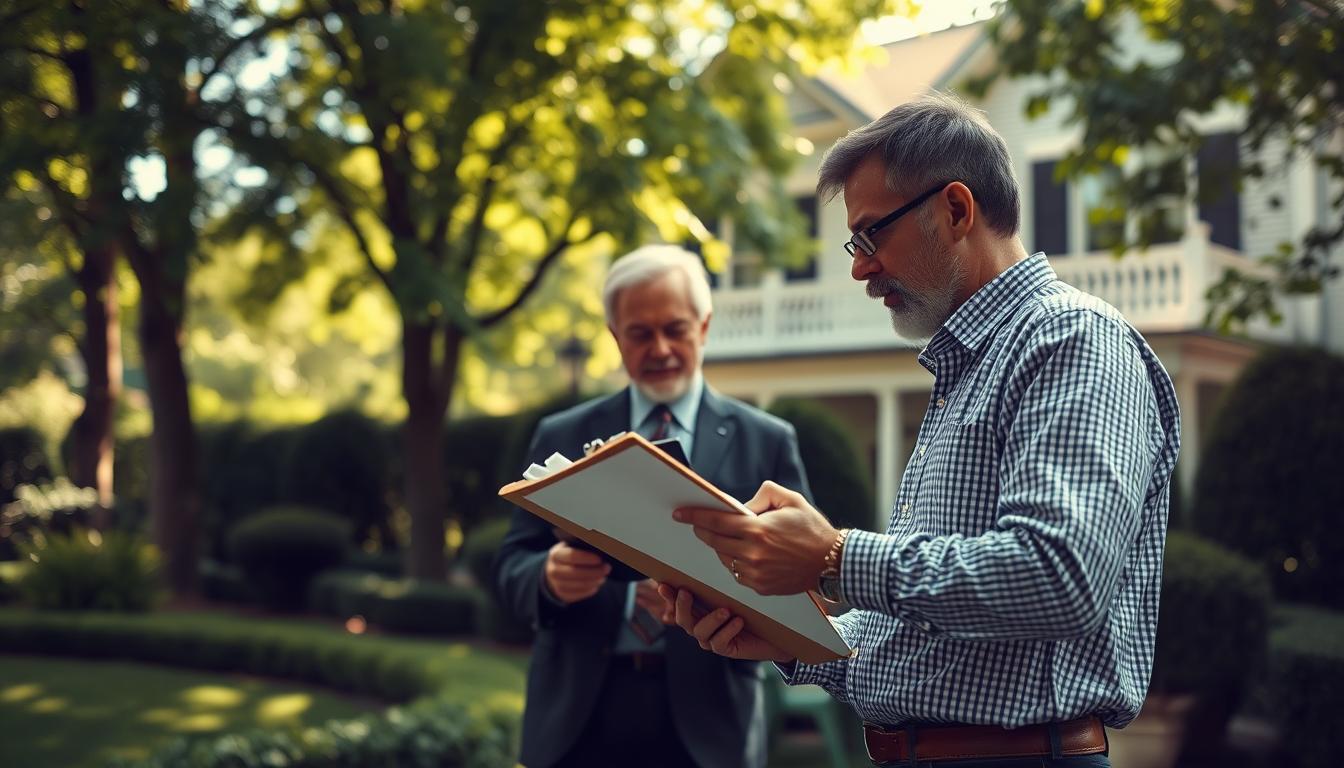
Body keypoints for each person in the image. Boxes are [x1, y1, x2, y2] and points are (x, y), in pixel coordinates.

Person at [661, 93, 1181, 767]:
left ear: (956, 210)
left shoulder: (1072, 339)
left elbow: (1060, 576)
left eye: (872, 235)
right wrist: (793, 638)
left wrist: (835, 557)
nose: (859, 267)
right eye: (855, 243)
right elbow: (930, 651)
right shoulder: (970, 365)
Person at [493, 244, 813, 768]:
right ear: (615, 337)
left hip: (711, 726)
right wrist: (548, 577)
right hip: (579, 719)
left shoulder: (769, 441)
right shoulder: (562, 433)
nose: (660, 348)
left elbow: (801, 587)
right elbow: (510, 566)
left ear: (704, 327)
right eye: (640, 333)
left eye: (676, 328)